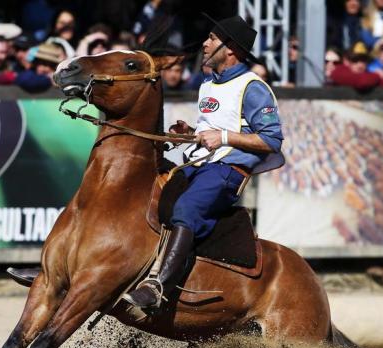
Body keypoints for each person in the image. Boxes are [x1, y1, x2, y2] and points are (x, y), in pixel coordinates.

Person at [122, 15, 284, 310]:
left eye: (212, 38)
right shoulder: (208, 83)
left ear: (231, 48)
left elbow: (272, 140)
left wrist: (222, 137)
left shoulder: (253, 87)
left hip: (227, 171)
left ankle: (159, 286)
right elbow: (209, 128)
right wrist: (190, 134)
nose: (205, 44)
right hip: (198, 165)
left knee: (186, 208)